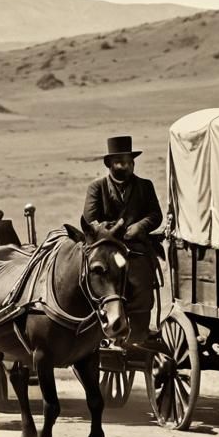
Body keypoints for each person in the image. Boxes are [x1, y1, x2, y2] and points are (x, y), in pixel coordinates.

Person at [82, 135, 163, 338]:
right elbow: (91, 221)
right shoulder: (97, 188)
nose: (124, 166)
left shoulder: (145, 186)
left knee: (141, 277)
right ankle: (101, 322)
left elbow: (156, 215)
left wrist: (140, 227)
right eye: (119, 162)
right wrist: (114, 230)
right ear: (109, 164)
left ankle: (139, 328)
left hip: (135, 248)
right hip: (107, 248)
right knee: (102, 275)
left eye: (128, 162)